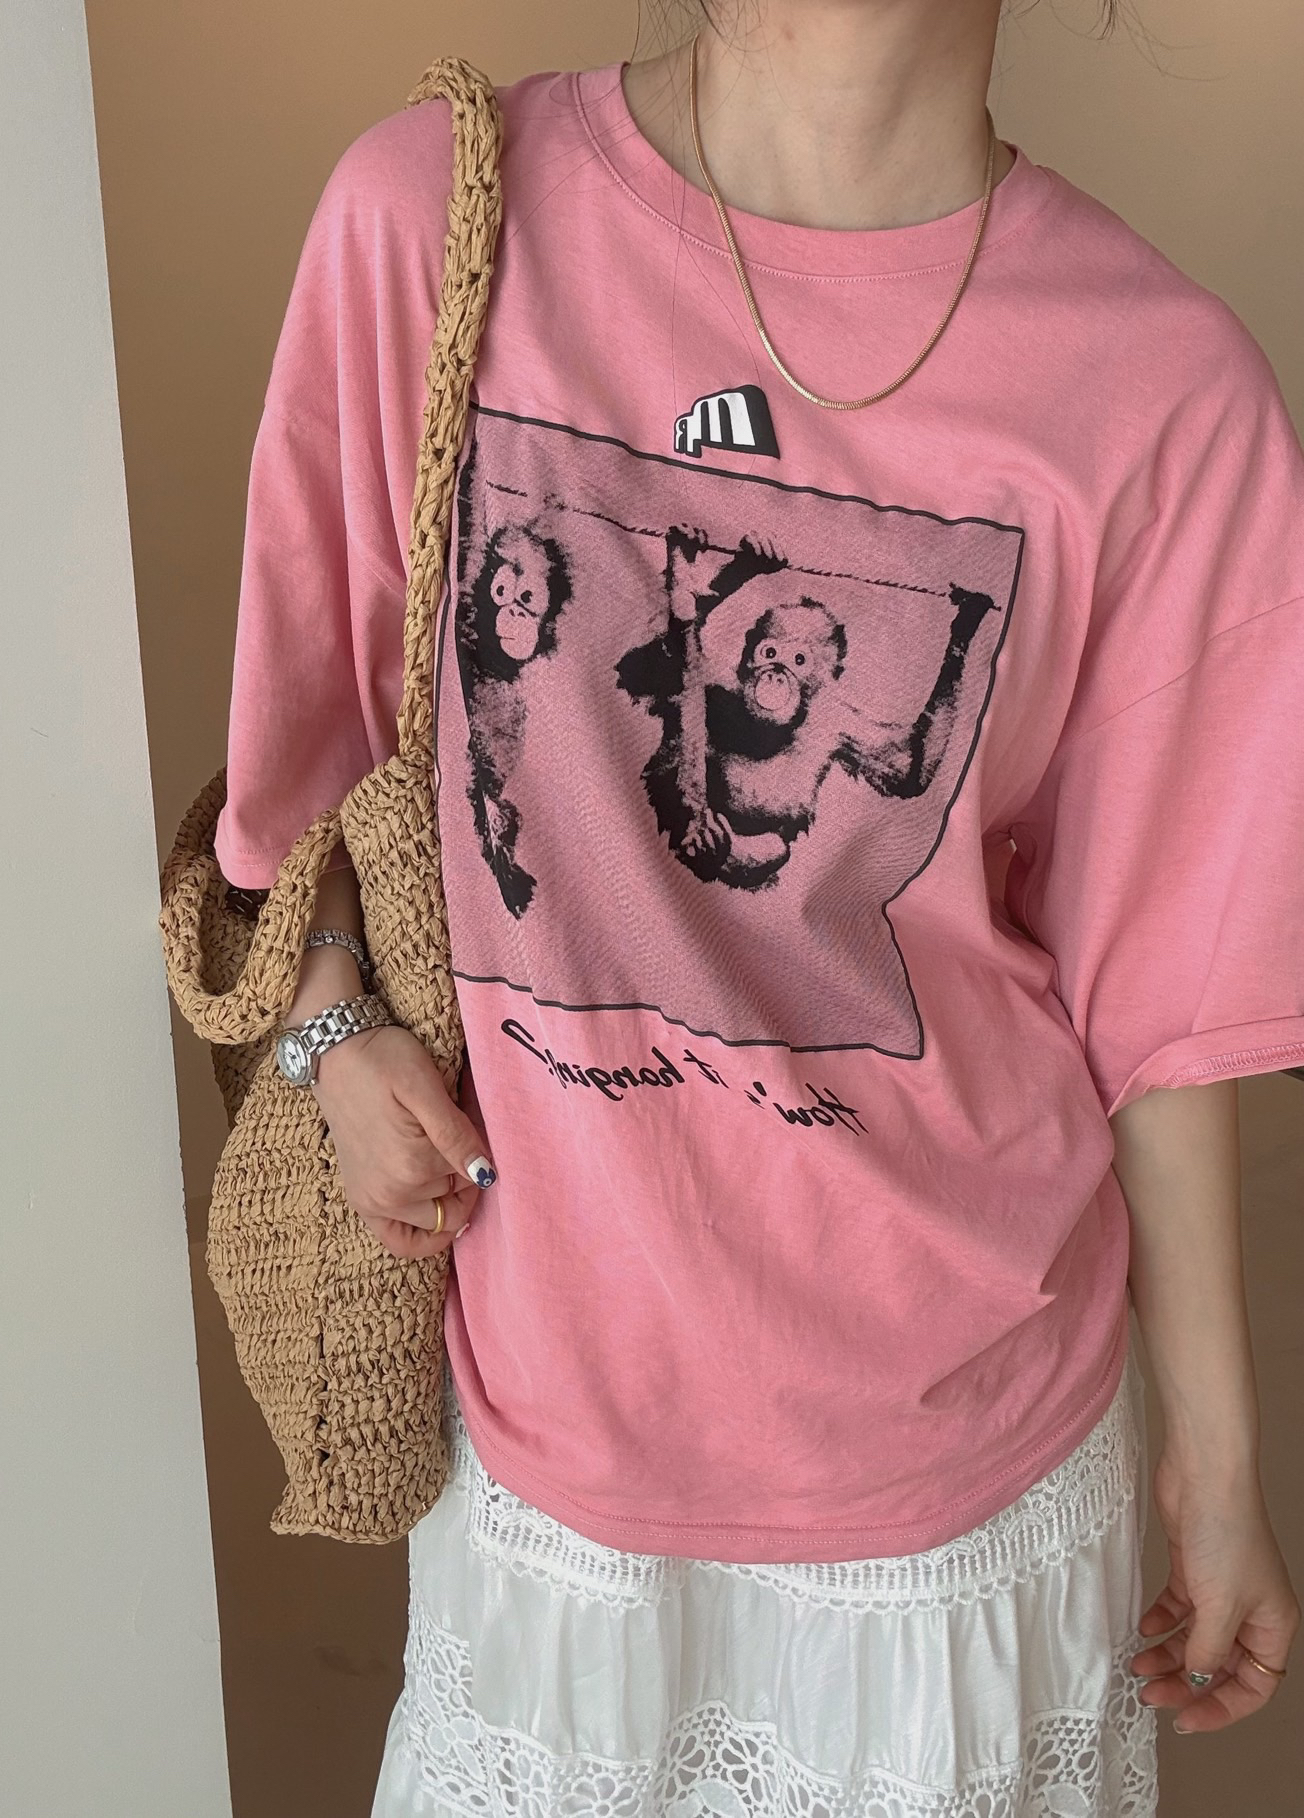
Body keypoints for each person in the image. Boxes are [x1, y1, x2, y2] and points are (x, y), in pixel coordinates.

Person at [213, 1, 1304, 1809]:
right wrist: (334, 1030)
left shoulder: (1166, 388)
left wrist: (1222, 1455)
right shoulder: (437, 217)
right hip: (552, 1446)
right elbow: (317, 761)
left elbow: (1164, 999)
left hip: (966, 1484)